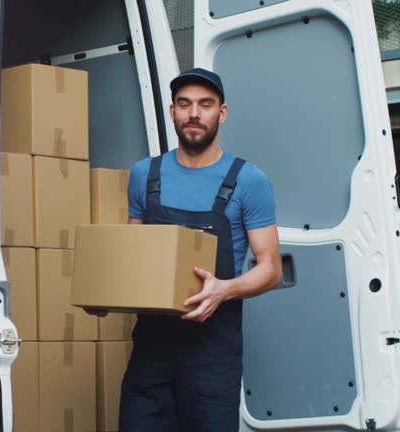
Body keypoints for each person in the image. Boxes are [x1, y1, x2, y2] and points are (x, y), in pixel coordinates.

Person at [87, 67, 282, 431]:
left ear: (221, 113)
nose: (194, 113)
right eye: (185, 104)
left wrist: (224, 289)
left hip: (213, 359)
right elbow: (135, 256)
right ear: (172, 111)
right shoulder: (145, 174)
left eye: (205, 104)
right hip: (151, 356)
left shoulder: (248, 180)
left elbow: (270, 268)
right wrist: (105, 293)